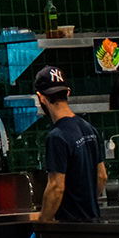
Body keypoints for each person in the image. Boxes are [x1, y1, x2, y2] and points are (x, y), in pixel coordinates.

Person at [33, 65, 104, 222]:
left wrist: (42, 225)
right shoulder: (89, 128)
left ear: (41, 97)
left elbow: (56, 188)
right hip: (94, 223)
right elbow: (102, 176)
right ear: (68, 92)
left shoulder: (56, 137)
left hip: (72, 229)